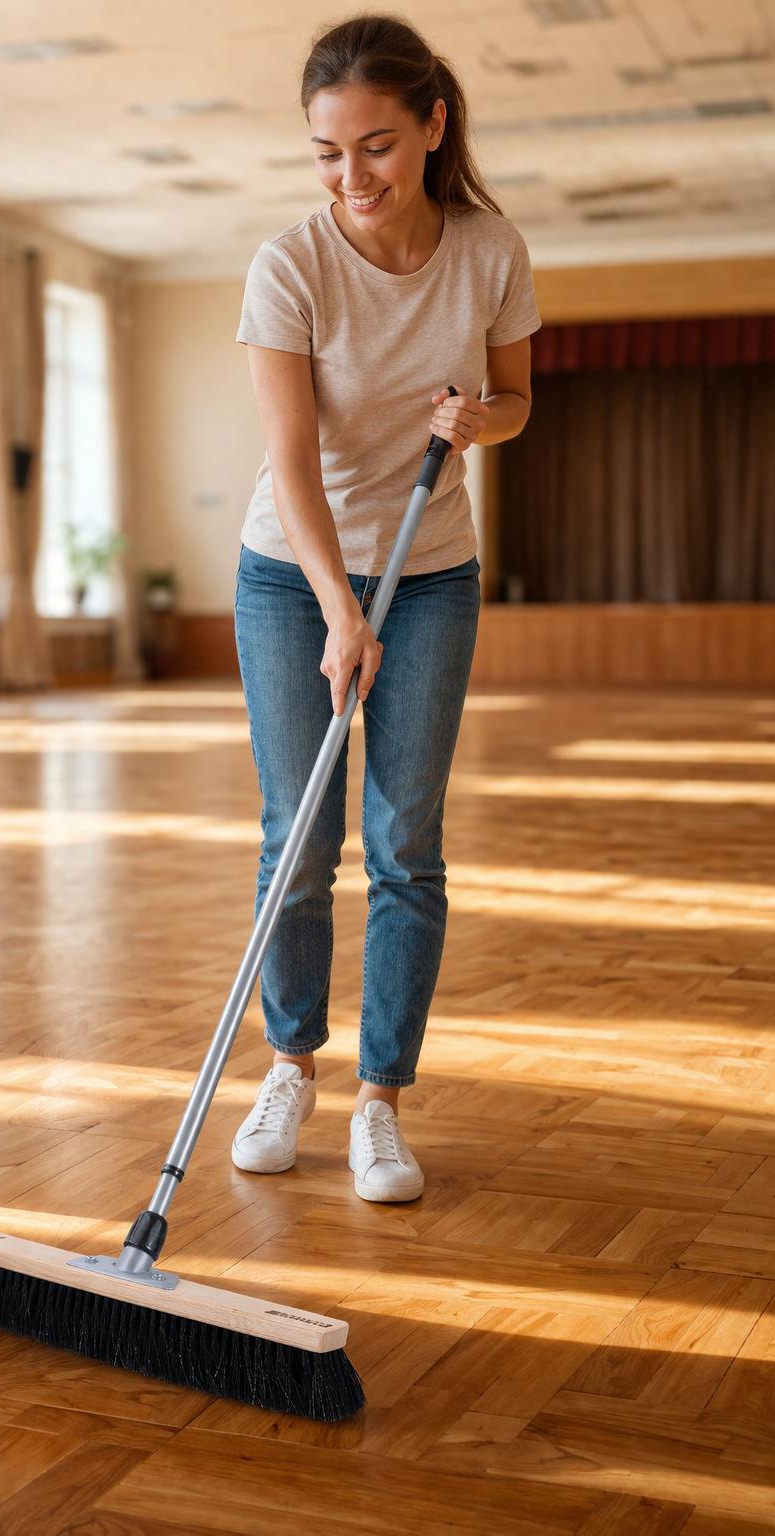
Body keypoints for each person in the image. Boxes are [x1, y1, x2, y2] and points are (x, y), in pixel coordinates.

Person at [231, 15, 539, 1201]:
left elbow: (516, 398)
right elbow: (292, 469)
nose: (349, 178)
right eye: (324, 152)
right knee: (297, 834)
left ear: (430, 128)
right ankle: (290, 1065)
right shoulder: (288, 268)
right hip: (289, 571)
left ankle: (378, 1102)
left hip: (432, 572)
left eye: (374, 147)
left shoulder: (488, 249)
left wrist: (479, 421)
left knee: (406, 844)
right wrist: (333, 608)